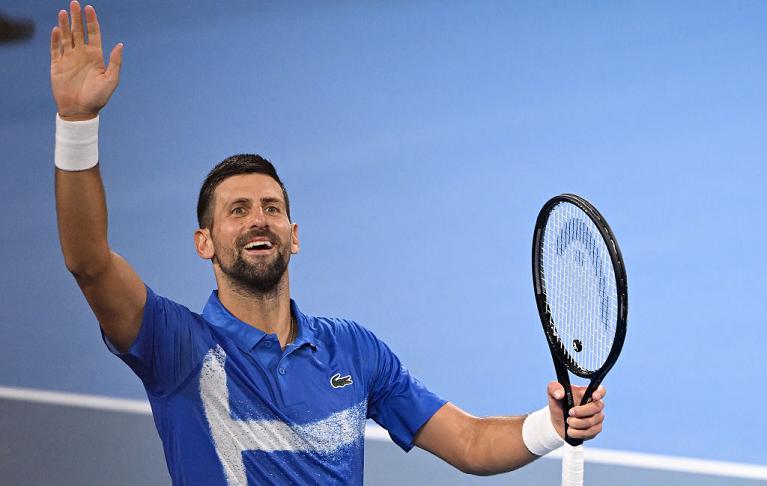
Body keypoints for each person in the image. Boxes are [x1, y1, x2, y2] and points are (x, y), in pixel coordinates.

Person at [50, 2, 606, 484]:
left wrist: (548, 426)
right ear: (204, 243)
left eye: (272, 208)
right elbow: (89, 263)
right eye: (237, 212)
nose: (257, 221)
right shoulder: (180, 350)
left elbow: (467, 442)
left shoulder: (353, 351)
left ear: (295, 235)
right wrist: (77, 123)